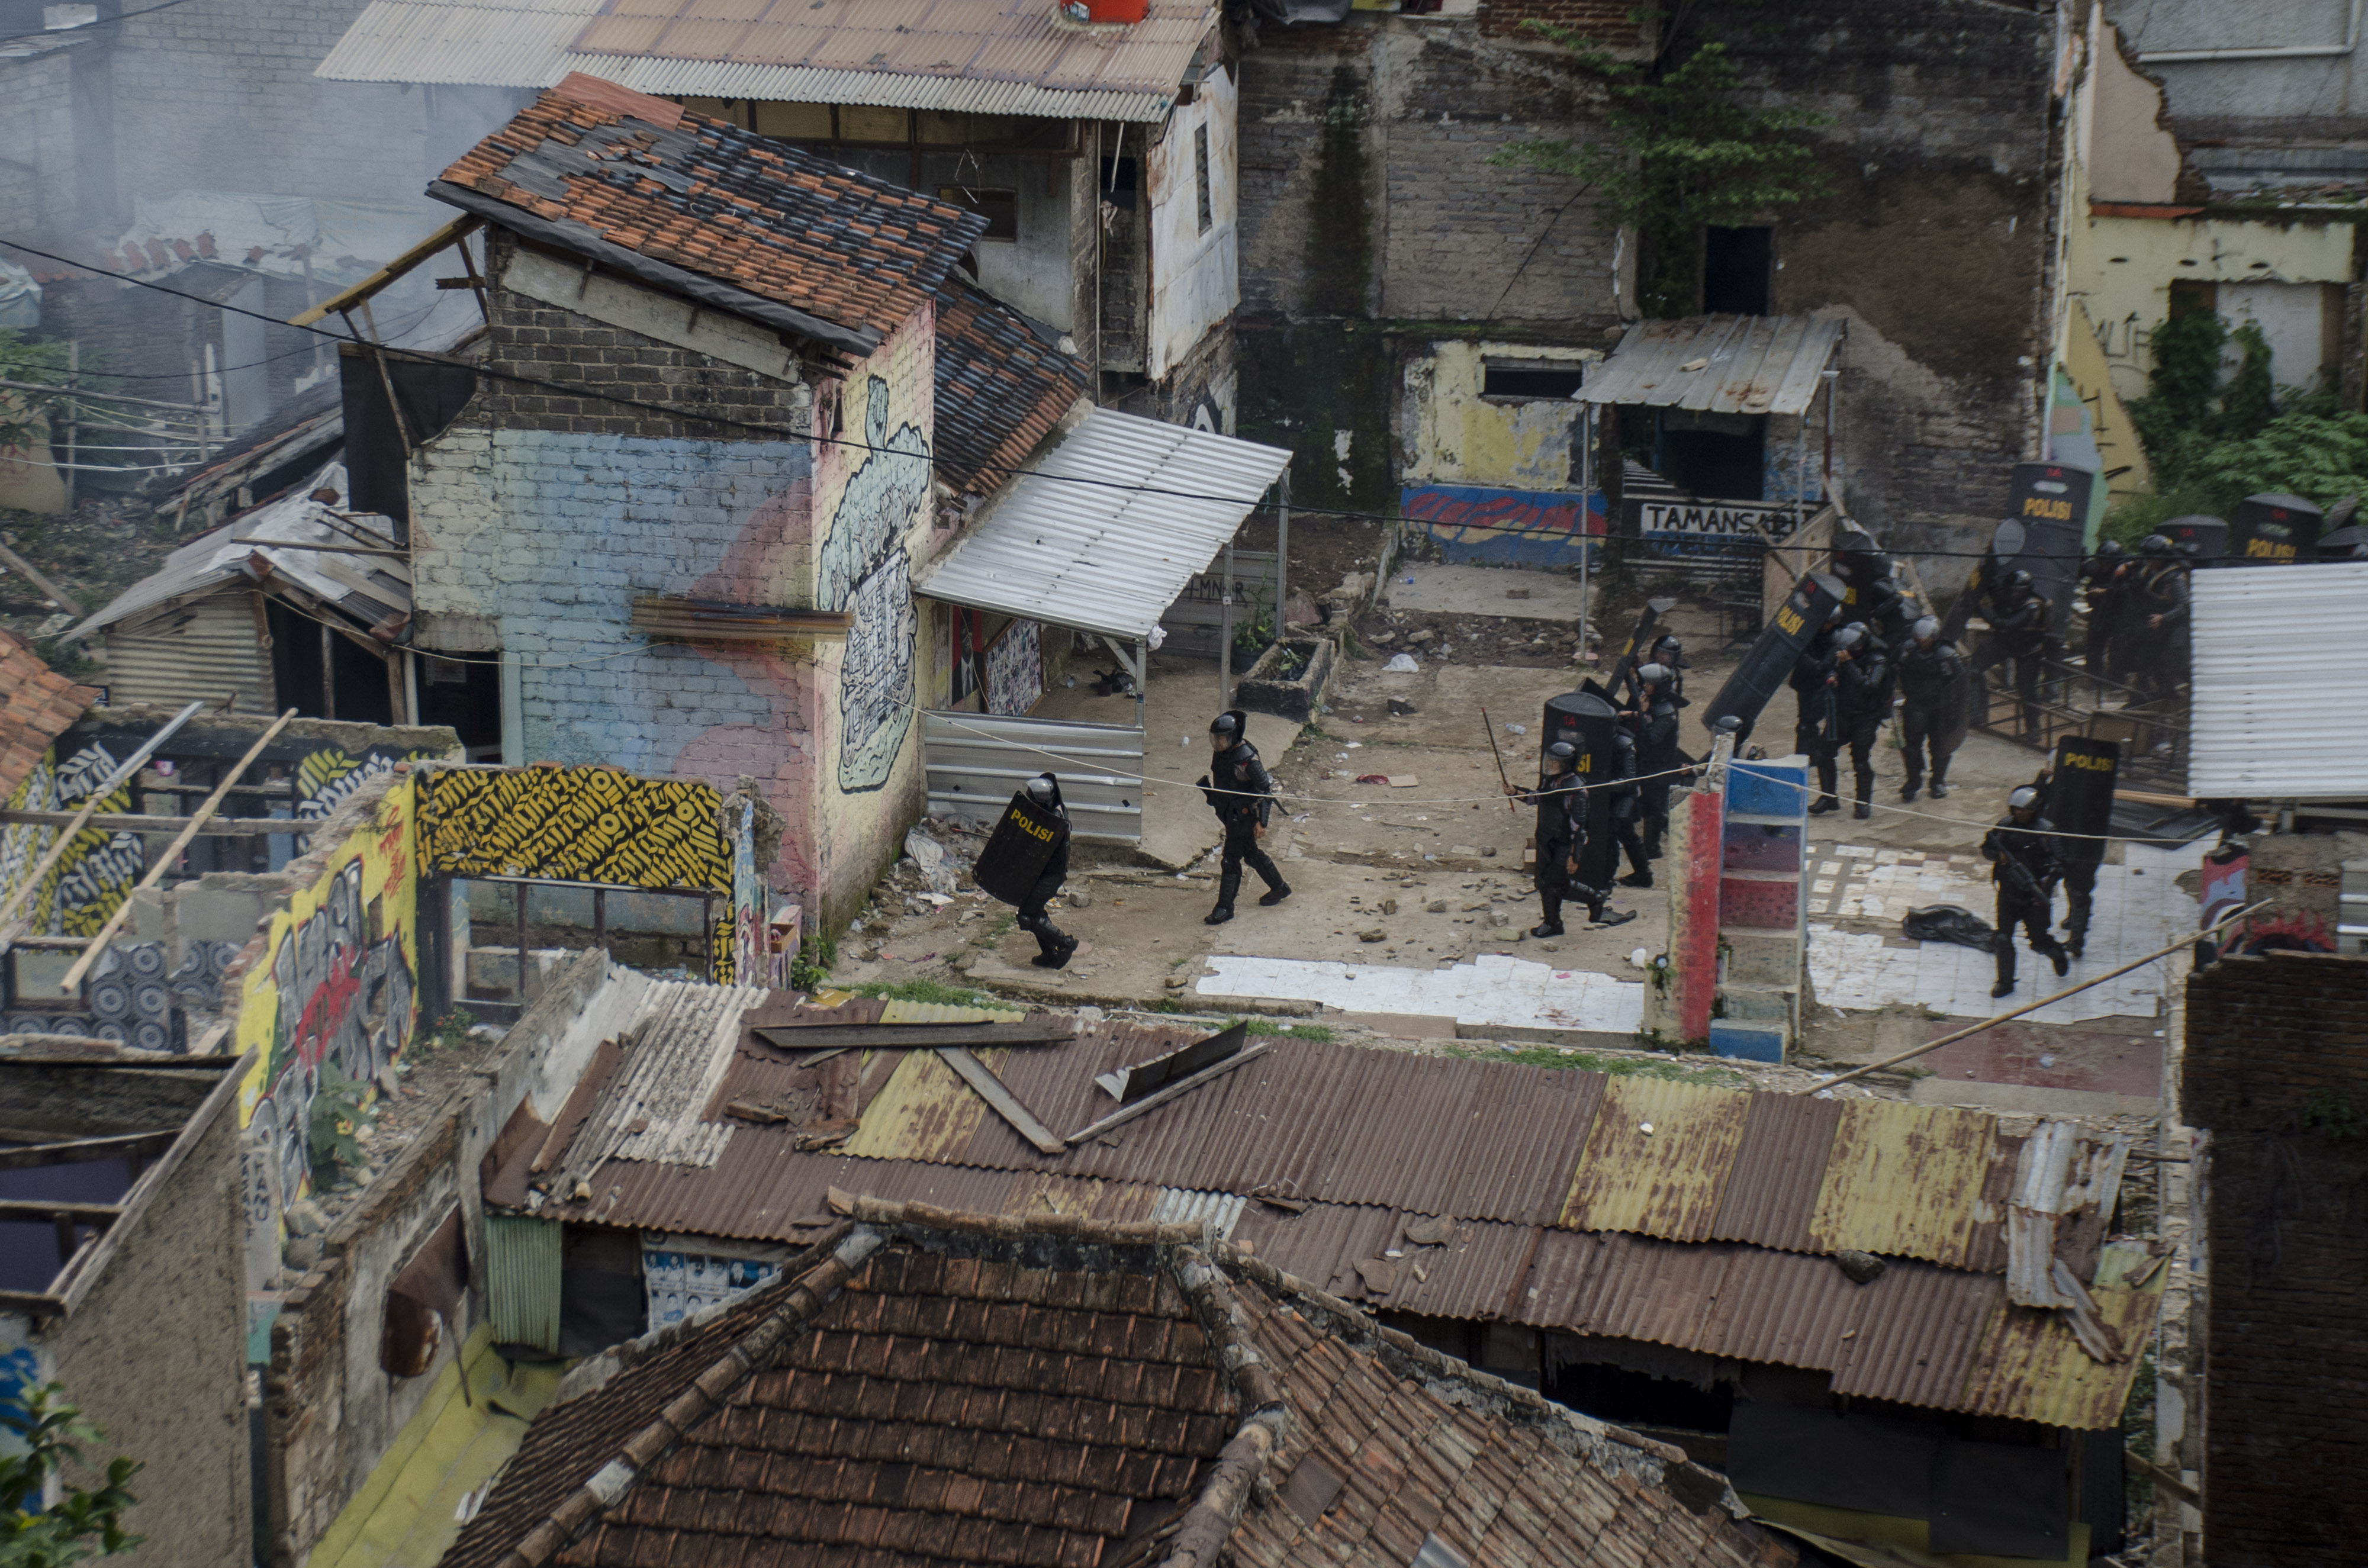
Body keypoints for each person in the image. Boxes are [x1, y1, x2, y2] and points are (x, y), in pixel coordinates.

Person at [1504, 740, 1633, 933]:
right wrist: (1516, 792)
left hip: (1564, 844)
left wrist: (1575, 855)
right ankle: (1552, 923)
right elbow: (1537, 798)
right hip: (1546, 839)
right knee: (1542, 883)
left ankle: (1596, 899)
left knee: (1558, 884)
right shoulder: (1550, 780)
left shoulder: (1577, 791)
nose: (1550, 765)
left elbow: (1579, 828)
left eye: (1555, 762)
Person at [1198, 709, 1289, 925]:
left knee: (1231, 860)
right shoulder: (1222, 754)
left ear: (1234, 736)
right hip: (1230, 814)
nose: (1218, 742)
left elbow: (1264, 792)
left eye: (1223, 738)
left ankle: (1224, 908)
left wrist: (1261, 822)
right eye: (1216, 738)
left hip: (1245, 816)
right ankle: (1279, 887)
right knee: (1251, 854)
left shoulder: (1247, 759)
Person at [1981, 784, 2071, 997]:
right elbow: (1987, 847)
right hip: (2008, 894)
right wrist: (1998, 856)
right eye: (2017, 809)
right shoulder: (2005, 826)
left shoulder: (2047, 832)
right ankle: (2006, 981)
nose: (2021, 813)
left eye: (2026, 809)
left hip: (2034, 897)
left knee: (2038, 941)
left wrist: (2044, 890)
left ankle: (2057, 954)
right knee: (2003, 938)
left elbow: (2061, 865)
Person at [1012, 774, 1079, 968]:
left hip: (1050, 876)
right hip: (1043, 873)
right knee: (1034, 912)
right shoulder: (1051, 812)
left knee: (1028, 916)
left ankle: (1066, 944)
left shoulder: (1054, 819)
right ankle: (1049, 954)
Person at [1826, 623, 1892, 819]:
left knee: (1860, 760)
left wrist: (1848, 664)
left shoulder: (1877, 660)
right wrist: (1832, 676)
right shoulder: (1844, 655)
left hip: (1866, 716)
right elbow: (1831, 669)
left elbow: (1869, 686)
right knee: (1824, 752)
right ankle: (1828, 797)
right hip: (1843, 713)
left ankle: (1862, 803)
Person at [1894, 616, 1964, 801]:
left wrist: (1954, 709)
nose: (1922, 642)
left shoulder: (1947, 654)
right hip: (1915, 704)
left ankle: (1938, 782)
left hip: (1939, 707)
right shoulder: (1908, 650)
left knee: (1940, 747)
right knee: (1911, 747)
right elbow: (1896, 670)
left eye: (1925, 639)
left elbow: (1959, 682)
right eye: (1919, 639)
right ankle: (1913, 781)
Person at [1626, 662, 1688, 863]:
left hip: (1660, 766)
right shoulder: (1655, 702)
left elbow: (1651, 739)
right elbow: (1638, 694)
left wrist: (1642, 714)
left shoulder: (1667, 714)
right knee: (1648, 803)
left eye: (1649, 684)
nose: (1645, 686)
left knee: (1653, 807)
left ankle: (1652, 848)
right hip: (1649, 762)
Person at [1979, 568, 2052, 739]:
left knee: (2027, 689)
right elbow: (1998, 595)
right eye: (2011, 591)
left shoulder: (2033, 607)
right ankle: (1976, 713)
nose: (2013, 595)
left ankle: (2034, 730)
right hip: (2009, 644)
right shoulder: (2012, 595)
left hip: (2029, 651)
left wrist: (1980, 609)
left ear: (2025, 590)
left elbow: (2005, 624)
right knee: (1975, 666)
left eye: (2016, 591)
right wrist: (1986, 576)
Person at [2130, 533, 2192, 704]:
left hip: (2176, 624)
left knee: (2176, 660)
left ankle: (2194, 691)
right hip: (2158, 624)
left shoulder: (2175, 577)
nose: (2150, 562)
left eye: (2153, 558)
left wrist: (2164, 618)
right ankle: (2166, 693)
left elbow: (2185, 606)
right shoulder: (2150, 569)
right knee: (2149, 657)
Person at [2079, 539, 2131, 683]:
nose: (2103, 566)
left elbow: (2125, 591)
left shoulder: (2125, 572)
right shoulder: (2096, 569)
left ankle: (2116, 682)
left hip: (2120, 615)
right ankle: (2093, 681)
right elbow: (2083, 574)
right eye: (2101, 562)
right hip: (2101, 613)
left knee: (2117, 652)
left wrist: (2105, 592)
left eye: (2107, 563)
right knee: (2093, 649)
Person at [1607, 729, 1652, 887]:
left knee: (1619, 831)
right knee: (1624, 835)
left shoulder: (1625, 745)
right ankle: (1642, 874)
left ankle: (1641, 874)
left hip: (1626, 796)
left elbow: (1629, 781)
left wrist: (1607, 785)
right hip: (1610, 795)